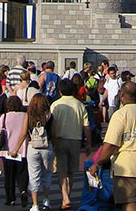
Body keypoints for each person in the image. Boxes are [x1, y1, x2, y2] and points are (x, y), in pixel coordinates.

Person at [89, 80, 136, 211]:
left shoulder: (120, 115)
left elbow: (111, 144)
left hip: (127, 167)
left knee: (130, 202)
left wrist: (98, 163)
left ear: (121, 95)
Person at [51, 78, 91, 209]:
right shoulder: (79, 105)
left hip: (60, 138)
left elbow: (52, 124)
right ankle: (67, 195)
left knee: (61, 170)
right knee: (71, 171)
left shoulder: (56, 105)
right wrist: (89, 143)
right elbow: (86, 126)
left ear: (60, 91)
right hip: (75, 139)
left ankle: (65, 196)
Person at [12, 92, 54, 211]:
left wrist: (16, 148)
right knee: (46, 174)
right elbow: (54, 133)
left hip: (33, 147)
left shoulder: (29, 115)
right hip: (47, 147)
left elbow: (24, 134)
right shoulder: (50, 116)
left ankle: (35, 204)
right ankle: (46, 199)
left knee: (34, 176)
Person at [0, 95, 28, 207]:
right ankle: (23, 191)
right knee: (22, 173)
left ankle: (10, 198)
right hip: (22, 149)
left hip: (7, 150)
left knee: (9, 175)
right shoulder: (25, 116)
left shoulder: (4, 117)